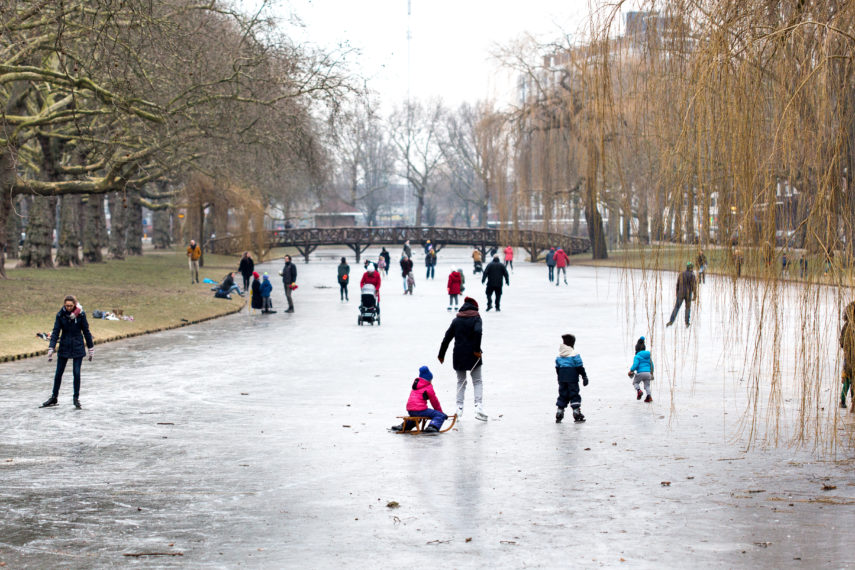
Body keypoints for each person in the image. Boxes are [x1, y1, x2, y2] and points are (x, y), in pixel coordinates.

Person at [41, 295, 94, 409]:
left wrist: (90, 348)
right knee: (58, 373)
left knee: (76, 373)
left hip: (77, 346)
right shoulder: (60, 315)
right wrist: (51, 347)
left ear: (74, 305)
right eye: (66, 305)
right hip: (64, 345)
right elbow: (55, 332)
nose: (68, 307)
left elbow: (86, 332)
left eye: (70, 305)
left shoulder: (81, 315)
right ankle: (54, 397)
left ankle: (76, 398)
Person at [438, 296, 486, 420]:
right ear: (474, 307)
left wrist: (441, 354)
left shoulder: (457, 320)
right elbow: (478, 332)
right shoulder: (476, 318)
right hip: (473, 355)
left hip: (459, 355)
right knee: (477, 381)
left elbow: (447, 337)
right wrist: (476, 349)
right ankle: (478, 407)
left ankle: (459, 409)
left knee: (461, 381)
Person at [389, 366, 448, 433]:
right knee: (439, 415)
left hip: (410, 410)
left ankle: (404, 426)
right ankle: (432, 426)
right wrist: (440, 412)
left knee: (417, 418)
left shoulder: (415, 385)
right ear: (429, 379)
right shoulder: (428, 387)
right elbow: (434, 401)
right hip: (420, 410)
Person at [554, 333, 589, 423]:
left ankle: (559, 412)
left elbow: (557, 367)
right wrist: (584, 376)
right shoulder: (574, 354)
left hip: (562, 377)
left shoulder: (559, 355)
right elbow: (579, 366)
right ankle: (576, 412)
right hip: (572, 377)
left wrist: (559, 377)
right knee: (574, 394)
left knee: (563, 394)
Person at [666, 262, 697, 327]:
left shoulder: (681, 274)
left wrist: (677, 293)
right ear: (691, 268)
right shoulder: (692, 275)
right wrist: (695, 295)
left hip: (680, 293)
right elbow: (694, 286)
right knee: (687, 308)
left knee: (676, 307)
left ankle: (671, 321)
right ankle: (687, 323)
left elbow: (677, 284)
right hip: (688, 294)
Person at [628, 336, 654, 403]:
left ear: (636, 349)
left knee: (635, 382)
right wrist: (652, 373)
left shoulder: (637, 356)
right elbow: (652, 365)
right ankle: (649, 397)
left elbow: (635, 365)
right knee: (647, 386)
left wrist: (631, 370)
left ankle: (639, 391)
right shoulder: (648, 356)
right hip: (648, 373)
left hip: (640, 373)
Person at [840, 302, 855, 408]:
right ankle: (852, 403)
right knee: (850, 382)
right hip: (850, 358)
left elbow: (841, 342)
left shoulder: (846, 326)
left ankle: (843, 402)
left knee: (847, 381)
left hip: (847, 357)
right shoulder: (850, 327)